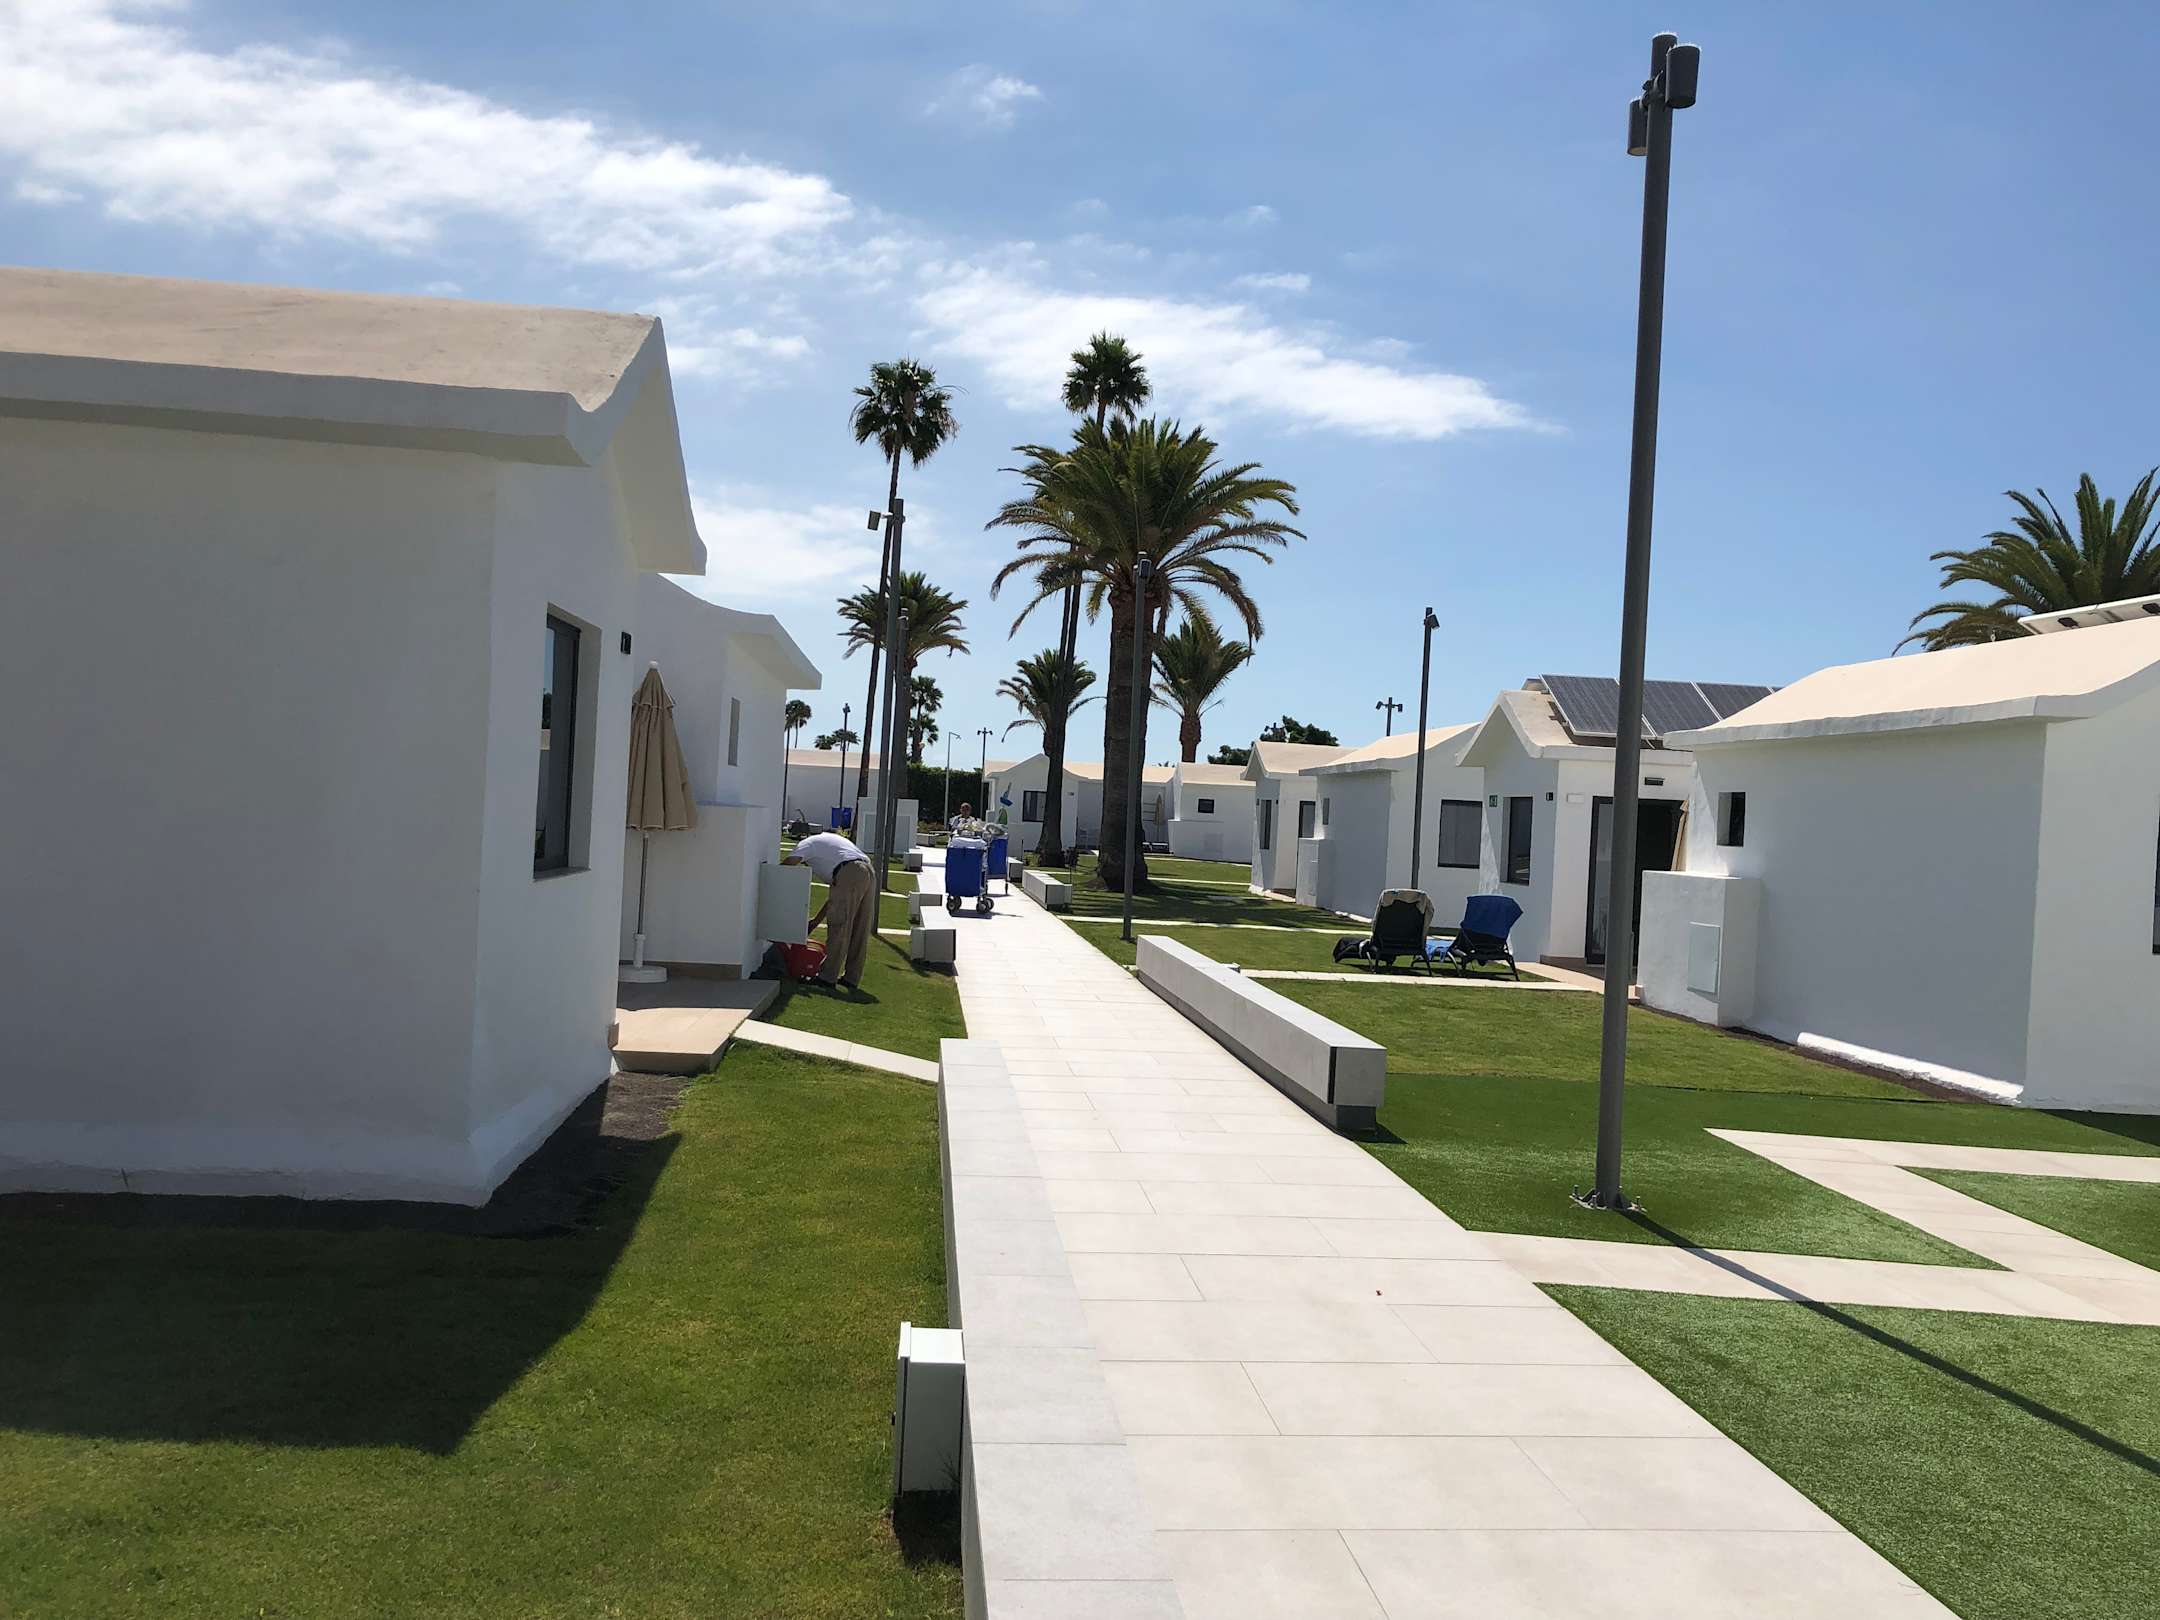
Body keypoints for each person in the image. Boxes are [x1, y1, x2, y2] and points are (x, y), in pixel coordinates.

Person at [780, 830, 875, 989]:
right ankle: (851, 978)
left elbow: (789, 863)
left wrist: (772, 876)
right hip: (867, 871)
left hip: (850, 871)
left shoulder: (806, 844)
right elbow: (834, 900)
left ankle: (827, 977)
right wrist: (815, 921)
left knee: (839, 926)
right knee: (860, 928)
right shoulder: (832, 848)